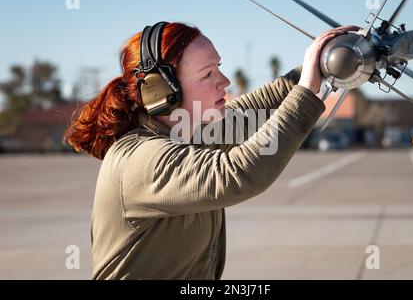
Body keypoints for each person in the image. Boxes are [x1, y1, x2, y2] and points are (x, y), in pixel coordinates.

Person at [64, 22, 358, 279]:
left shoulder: (189, 132)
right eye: (207, 74)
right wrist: (305, 93)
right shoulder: (139, 160)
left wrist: (328, 63)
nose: (225, 82)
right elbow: (237, 174)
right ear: (160, 90)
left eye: (219, 67)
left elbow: (255, 107)